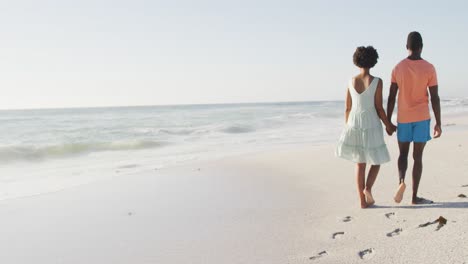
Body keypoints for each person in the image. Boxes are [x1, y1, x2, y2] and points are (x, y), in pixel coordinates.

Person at [336, 46, 396, 209]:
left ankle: (362, 202)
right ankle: (368, 188)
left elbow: (348, 108)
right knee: (377, 159)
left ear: (356, 61)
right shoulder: (376, 81)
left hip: (354, 122)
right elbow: (379, 107)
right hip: (371, 122)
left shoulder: (351, 81)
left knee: (359, 163)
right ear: (373, 61)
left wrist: (348, 127)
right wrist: (388, 125)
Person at [387, 31, 442, 205]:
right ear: (421, 47)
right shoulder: (429, 68)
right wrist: (438, 122)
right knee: (417, 157)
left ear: (407, 47)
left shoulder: (397, 67)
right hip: (422, 118)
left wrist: (388, 121)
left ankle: (401, 181)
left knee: (402, 154)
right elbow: (435, 97)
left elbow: (391, 96)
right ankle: (414, 197)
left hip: (403, 118)